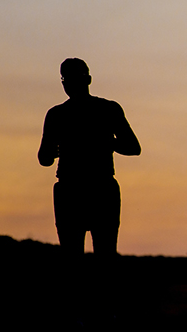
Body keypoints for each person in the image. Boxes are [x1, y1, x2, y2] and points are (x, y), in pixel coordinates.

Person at [38, 58, 141, 257]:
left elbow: (133, 147)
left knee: (103, 252)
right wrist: (51, 153)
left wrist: (106, 143)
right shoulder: (56, 115)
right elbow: (44, 158)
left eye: (73, 78)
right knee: (75, 253)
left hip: (99, 188)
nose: (69, 83)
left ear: (88, 79)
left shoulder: (107, 109)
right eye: (66, 79)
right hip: (71, 189)